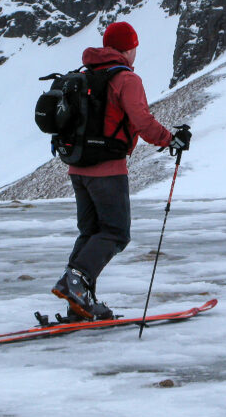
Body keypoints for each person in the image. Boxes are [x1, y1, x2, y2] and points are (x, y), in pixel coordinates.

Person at [51, 21, 192, 320]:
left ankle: (79, 303)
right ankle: (75, 282)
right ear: (129, 48)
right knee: (115, 233)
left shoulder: (85, 74)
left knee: (90, 233)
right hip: (107, 169)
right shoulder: (125, 79)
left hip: (77, 168)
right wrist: (171, 140)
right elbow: (141, 122)